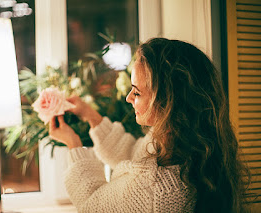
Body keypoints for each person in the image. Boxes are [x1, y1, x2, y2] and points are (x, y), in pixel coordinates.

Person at [49, 38, 249, 212]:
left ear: (167, 103)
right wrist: (92, 117)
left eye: (136, 92)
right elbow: (132, 152)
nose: (128, 98)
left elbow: (91, 204)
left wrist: (73, 144)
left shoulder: (152, 191)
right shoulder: (192, 148)